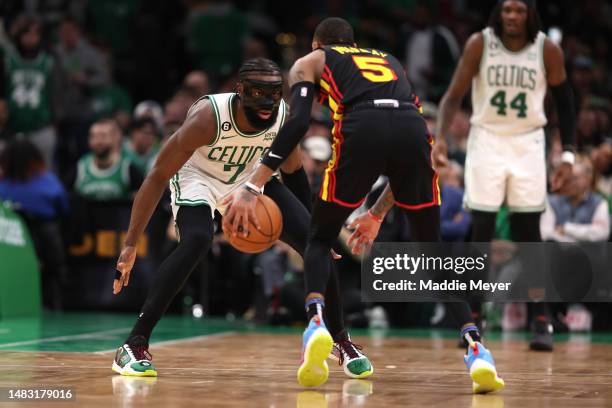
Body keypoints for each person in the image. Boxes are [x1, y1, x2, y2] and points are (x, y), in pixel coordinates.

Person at [224, 18, 503, 393]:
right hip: (413, 128)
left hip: (362, 126)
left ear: (318, 42)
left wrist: (254, 183)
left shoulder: (312, 60)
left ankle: (316, 323)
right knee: (433, 256)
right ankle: (476, 348)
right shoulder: (388, 59)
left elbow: (299, 122)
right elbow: (398, 145)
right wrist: (376, 214)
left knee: (319, 239)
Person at [111, 58, 372, 379]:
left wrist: (318, 229)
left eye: (274, 92)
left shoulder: (281, 118)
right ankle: (134, 344)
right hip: (199, 176)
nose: (267, 101)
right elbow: (157, 176)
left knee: (314, 242)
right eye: (258, 92)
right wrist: (130, 242)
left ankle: (341, 340)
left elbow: (293, 173)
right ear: (240, 91)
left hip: (251, 176)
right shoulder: (208, 118)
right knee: (197, 239)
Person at [432, 0, 576, 351]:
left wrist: (568, 153)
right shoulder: (480, 44)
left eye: (519, 10)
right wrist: (441, 138)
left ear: (530, 14)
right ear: (498, 13)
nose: (512, 16)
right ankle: (474, 319)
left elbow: (565, 103)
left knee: (529, 233)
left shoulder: (547, 49)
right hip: (487, 140)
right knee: (480, 230)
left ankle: (541, 320)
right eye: (507, 10)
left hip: (528, 142)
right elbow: (453, 95)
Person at [71, 119, 143, 202]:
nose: (98, 141)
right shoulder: (81, 166)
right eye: (94, 136)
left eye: (103, 136)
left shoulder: (126, 168)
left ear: (114, 138)